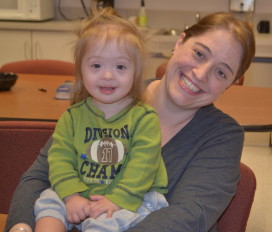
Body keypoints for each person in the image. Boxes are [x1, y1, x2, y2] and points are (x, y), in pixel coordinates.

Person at [5, 11, 255, 232]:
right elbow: (39, 177)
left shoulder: (223, 136)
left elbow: (188, 217)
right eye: (199, 53)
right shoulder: (104, 96)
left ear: (231, 83)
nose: (201, 74)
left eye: (221, 72)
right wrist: (22, 226)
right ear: (179, 42)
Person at [33, 6, 168, 232]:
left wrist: (116, 200)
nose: (107, 75)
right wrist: (71, 196)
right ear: (81, 70)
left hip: (132, 196)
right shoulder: (72, 117)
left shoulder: (144, 118)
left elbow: (143, 166)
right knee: (48, 202)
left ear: (135, 72)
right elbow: (60, 158)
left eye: (120, 66)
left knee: (108, 222)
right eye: (96, 65)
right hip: (81, 192)